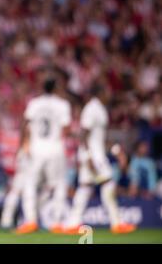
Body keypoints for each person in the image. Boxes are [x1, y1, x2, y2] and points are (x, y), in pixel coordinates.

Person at [64, 84, 136, 234]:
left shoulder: (99, 109)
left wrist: (116, 150)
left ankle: (72, 223)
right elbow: (84, 134)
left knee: (85, 187)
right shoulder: (92, 109)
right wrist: (87, 156)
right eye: (107, 91)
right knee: (108, 183)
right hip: (93, 155)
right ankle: (116, 223)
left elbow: (100, 138)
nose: (109, 94)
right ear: (100, 92)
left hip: (93, 153)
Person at [17, 77, 71, 234]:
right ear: (56, 88)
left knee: (30, 184)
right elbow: (65, 129)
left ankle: (30, 221)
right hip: (55, 148)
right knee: (59, 185)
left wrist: (23, 144)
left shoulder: (35, 103)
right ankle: (56, 223)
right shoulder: (63, 105)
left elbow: (24, 124)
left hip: (36, 149)